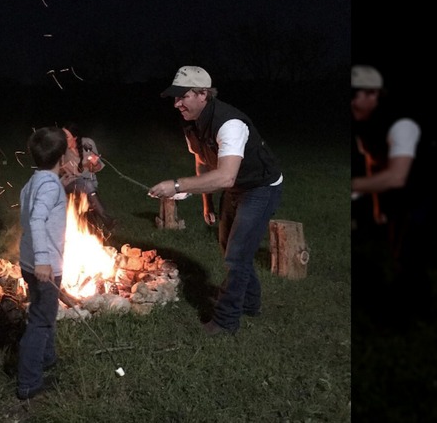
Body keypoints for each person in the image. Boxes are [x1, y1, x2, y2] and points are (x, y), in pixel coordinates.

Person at [149, 66, 284, 336]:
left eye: (182, 97)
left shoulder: (230, 124)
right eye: (174, 98)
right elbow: (202, 160)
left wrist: (176, 186)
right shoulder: (191, 122)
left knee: (236, 255)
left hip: (260, 187)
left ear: (203, 94)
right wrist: (206, 203)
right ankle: (250, 303)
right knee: (232, 249)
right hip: (235, 188)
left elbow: (224, 177)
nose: (176, 104)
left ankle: (225, 321)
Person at [350, 64, 436, 327]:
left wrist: (352, 185)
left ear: (373, 95)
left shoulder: (401, 125)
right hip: (395, 195)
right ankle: (402, 307)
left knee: (409, 253)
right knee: (396, 250)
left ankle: (413, 316)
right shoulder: (363, 125)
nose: (351, 101)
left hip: (422, 191)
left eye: (356, 94)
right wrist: (377, 206)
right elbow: (373, 165)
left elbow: (397, 176)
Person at [16, 125, 68, 400]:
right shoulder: (50, 185)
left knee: (45, 314)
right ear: (64, 155)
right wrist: (44, 261)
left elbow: (37, 209)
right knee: (40, 321)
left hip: (28, 262)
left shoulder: (35, 181)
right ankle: (29, 382)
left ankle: (47, 359)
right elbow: (36, 219)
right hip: (43, 265)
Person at [59, 122, 116, 233]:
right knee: (87, 185)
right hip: (70, 182)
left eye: (66, 136)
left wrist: (94, 163)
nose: (63, 139)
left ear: (75, 137)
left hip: (88, 182)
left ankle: (92, 230)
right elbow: (60, 171)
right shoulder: (62, 149)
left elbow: (96, 168)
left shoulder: (88, 143)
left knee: (88, 188)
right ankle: (106, 219)